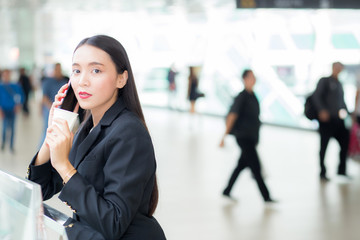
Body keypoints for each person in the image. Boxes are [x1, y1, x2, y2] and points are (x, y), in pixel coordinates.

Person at [26, 35, 166, 239]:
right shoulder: (87, 128)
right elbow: (39, 191)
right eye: (76, 70)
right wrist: (53, 134)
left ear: (121, 78)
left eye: (96, 70)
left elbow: (113, 223)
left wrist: (65, 167)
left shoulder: (128, 132)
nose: (82, 81)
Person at [219, 69, 274, 203]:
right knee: (255, 167)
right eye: (251, 77)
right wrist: (224, 136)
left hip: (252, 138)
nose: (254, 79)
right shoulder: (241, 96)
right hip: (243, 137)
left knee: (241, 165)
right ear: (245, 79)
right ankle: (266, 196)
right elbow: (232, 115)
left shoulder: (253, 96)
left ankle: (227, 190)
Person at [312, 62, 350, 181]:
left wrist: (348, 113)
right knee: (324, 146)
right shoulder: (325, 81)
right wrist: (322, 110)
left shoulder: (339, 84)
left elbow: (342, 101)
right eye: (337, 67)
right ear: (333, 67)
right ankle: (322, 172)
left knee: (345, 142)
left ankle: (341, 170)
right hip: (326, 121)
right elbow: (316, 96)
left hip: (337, 120)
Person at [40, 63, 69, 143]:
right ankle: (42, 150)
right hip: (50, 109)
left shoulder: (64, 81)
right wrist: (53, 108)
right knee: (48, 130)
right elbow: (44, 98)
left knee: (60, 131)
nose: (59, 71)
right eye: (57, 69)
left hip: (62, 110)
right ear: (54, 70)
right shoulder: (48, 82)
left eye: (60, 69)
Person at [0, 69, 24, 152]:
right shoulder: (1, 86)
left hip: (13, 110)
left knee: (13, 129)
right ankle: (3, 144)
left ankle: (11, 146)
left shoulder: (15, 86)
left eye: (8, 74)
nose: (6, 76)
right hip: (4, 109)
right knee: (4, 128)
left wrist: (18, 106)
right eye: (5, 75)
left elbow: (21, 96)